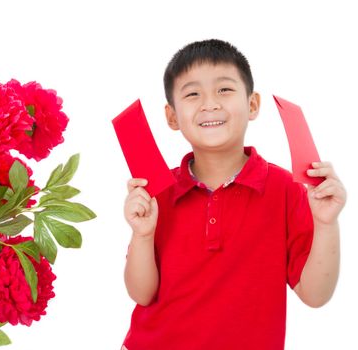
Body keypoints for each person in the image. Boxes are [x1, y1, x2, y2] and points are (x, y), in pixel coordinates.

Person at [121, 39, 346, 350]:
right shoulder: (157, 192)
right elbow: (141, 293)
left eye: (224, 90)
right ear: (172, 117)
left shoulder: (286, 189)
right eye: (192, 94)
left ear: (252, 105)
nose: (209, 103)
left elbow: (315, 295)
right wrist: (142, 235)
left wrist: (326, 224)